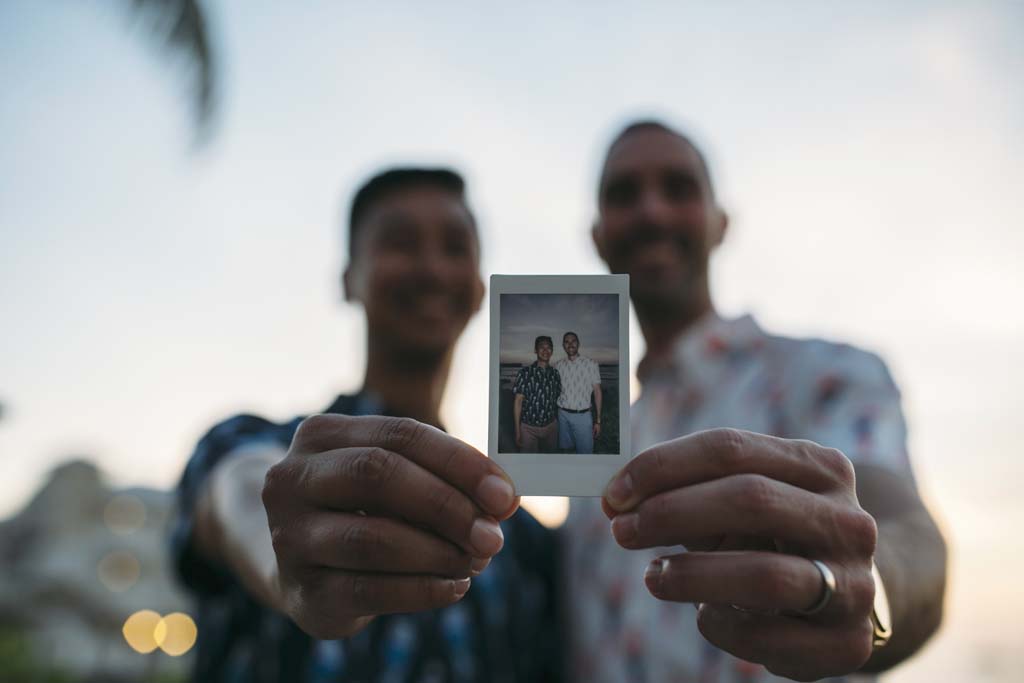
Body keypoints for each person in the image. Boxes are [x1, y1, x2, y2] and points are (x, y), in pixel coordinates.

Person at [569, 120, 948, 682]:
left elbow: (912, 541)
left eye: (678, 188)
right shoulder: (585, 446)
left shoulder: (826, 375)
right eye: (624, 194)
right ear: (598, 236)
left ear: (721, 224)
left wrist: (862, 590)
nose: (652, 212)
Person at [169, 167, 561, 683]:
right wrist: (280, 563)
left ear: (480, 287)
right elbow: (238, 487)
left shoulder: (525, 540)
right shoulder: (259, 444)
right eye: (400, 242)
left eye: (455, 247)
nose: (431, 268)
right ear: (348, 279)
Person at [554, 331, 603, 454]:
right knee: (566, 450)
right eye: (567, 342)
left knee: (585, 453)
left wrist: (598, 421)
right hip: (562, 415)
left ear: (578, 344)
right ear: (563, 345)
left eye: (573, 341)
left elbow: (597, 392)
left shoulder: (591, 364)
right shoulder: (558, 366)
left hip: (583, 416)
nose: (570, 344)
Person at [512, 335, 561, 453]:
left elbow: (557, 399)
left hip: (551, 427)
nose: (545, 351)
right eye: (541, 347)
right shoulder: (525, 373)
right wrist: (517, 430)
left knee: (549, 462)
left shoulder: (555, 374)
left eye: (548, 347)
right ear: (535, 350)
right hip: (528, 428)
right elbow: (518, 402)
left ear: (552, 351)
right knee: (527, 463)